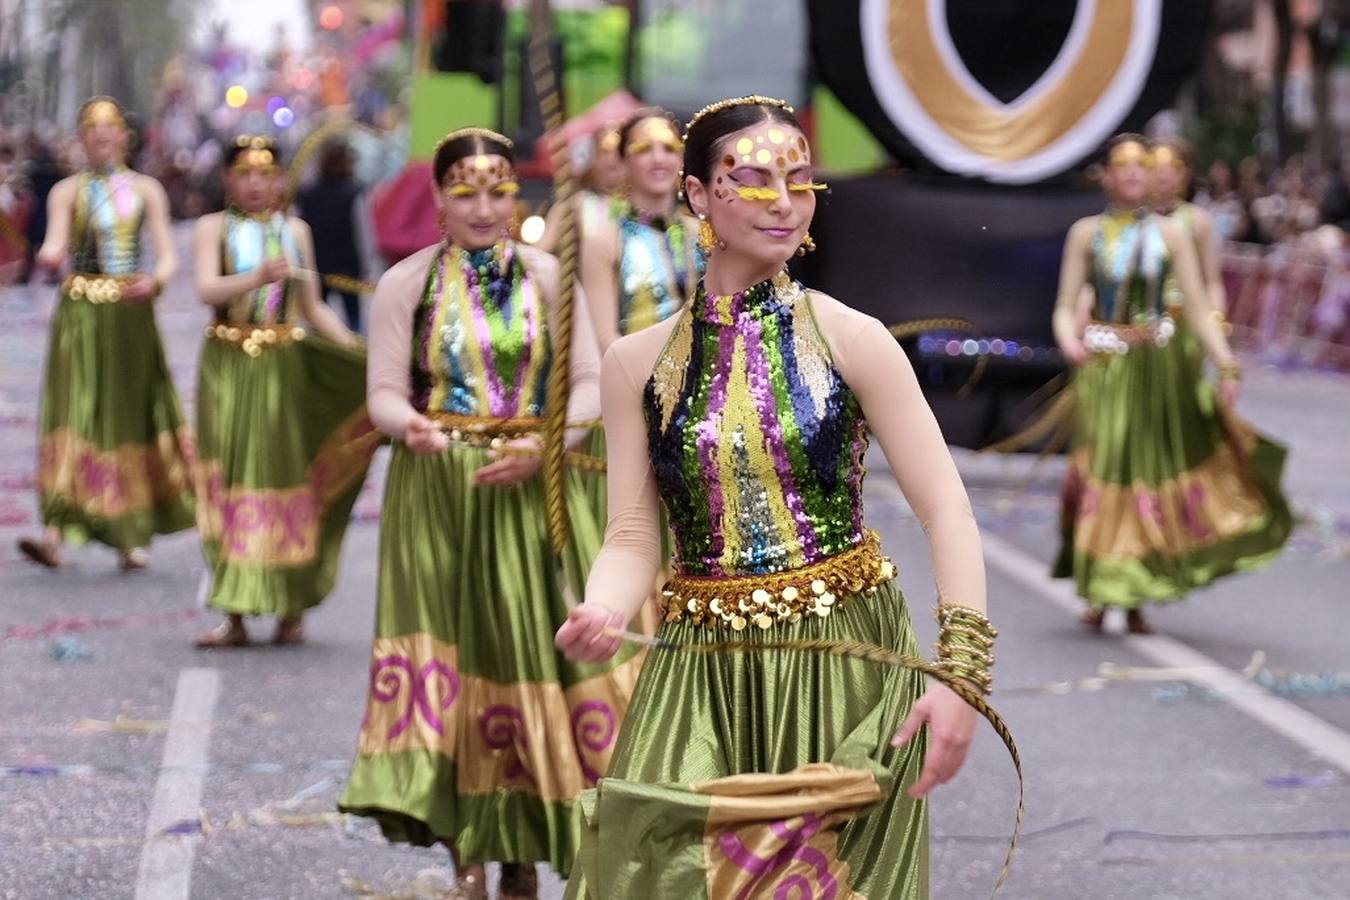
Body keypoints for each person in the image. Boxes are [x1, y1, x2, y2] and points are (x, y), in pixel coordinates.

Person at [555, 96, 993, 899]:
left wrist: (959, 676)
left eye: (798, 179)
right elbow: (629, 534)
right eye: (752, 180)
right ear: (696, 195)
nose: (783, 201)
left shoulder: (852, 338)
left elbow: (948, 512)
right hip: (700, 673)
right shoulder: (636, 364)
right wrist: (605, 608)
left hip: (846, 665)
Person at [339, 127, 645, 900]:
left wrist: (549, 444)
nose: (483, 207)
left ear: (517, 195)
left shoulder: (550, 275)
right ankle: (465, 852)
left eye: (498, 190)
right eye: (465, 191)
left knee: (533, 662)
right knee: (450, 664)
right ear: (438, 198)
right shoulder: (407, 284)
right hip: (440, 488)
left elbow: (585, 380)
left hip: (532, 482)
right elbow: (381, 390)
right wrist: (405, 422)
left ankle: (528, 852)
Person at [1051, 134, 1292, 634]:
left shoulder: (1174, 233)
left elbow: (1201, 306)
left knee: (1146, 470)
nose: (1137, 173)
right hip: (1104, 368)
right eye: (1125, 165)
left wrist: (1225, 362)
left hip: (1155, 367)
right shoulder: (1085, 233)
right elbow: (1064, 303)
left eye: (1143, 164)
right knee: (1105, 468)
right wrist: (1069, 339)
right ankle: (1100, 585)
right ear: (1108, 176)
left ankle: (1136, 590)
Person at [192, 135, 375, 648]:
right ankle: (235, 610)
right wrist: (254, 276)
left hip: (284, 365)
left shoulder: (295, 230)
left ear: (279, 180)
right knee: (230, 477)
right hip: (226, 365)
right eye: (244, 174)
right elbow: (207, 290)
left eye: (265, 174)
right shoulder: (213, 228)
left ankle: (292, 603)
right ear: (228, 179)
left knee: (285, 476)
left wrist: (357, 350)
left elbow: (313, 306)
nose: (255, 184)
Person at [17, 97, 194, 571]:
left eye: (109, 127)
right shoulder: (66, 192)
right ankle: (54, 530)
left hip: (130, 311)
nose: (100, 136)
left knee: (127, 414)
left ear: (124, 137)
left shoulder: (146, 190)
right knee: (72, 409)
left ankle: (129, 535)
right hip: (80, 313)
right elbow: (54, 241)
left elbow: (167, 253)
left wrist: (155, 281)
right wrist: (50, 257)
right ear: (81, 138)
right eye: (90, 128)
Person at [296, 139, 383, 332]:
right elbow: (363, 232)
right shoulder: (355, 193)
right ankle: (351, 352)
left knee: (316, 315)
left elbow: (301, 228)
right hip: (348, 265)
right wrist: (369, 267)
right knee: (354, 320)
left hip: (318, 264)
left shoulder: (309, 194)